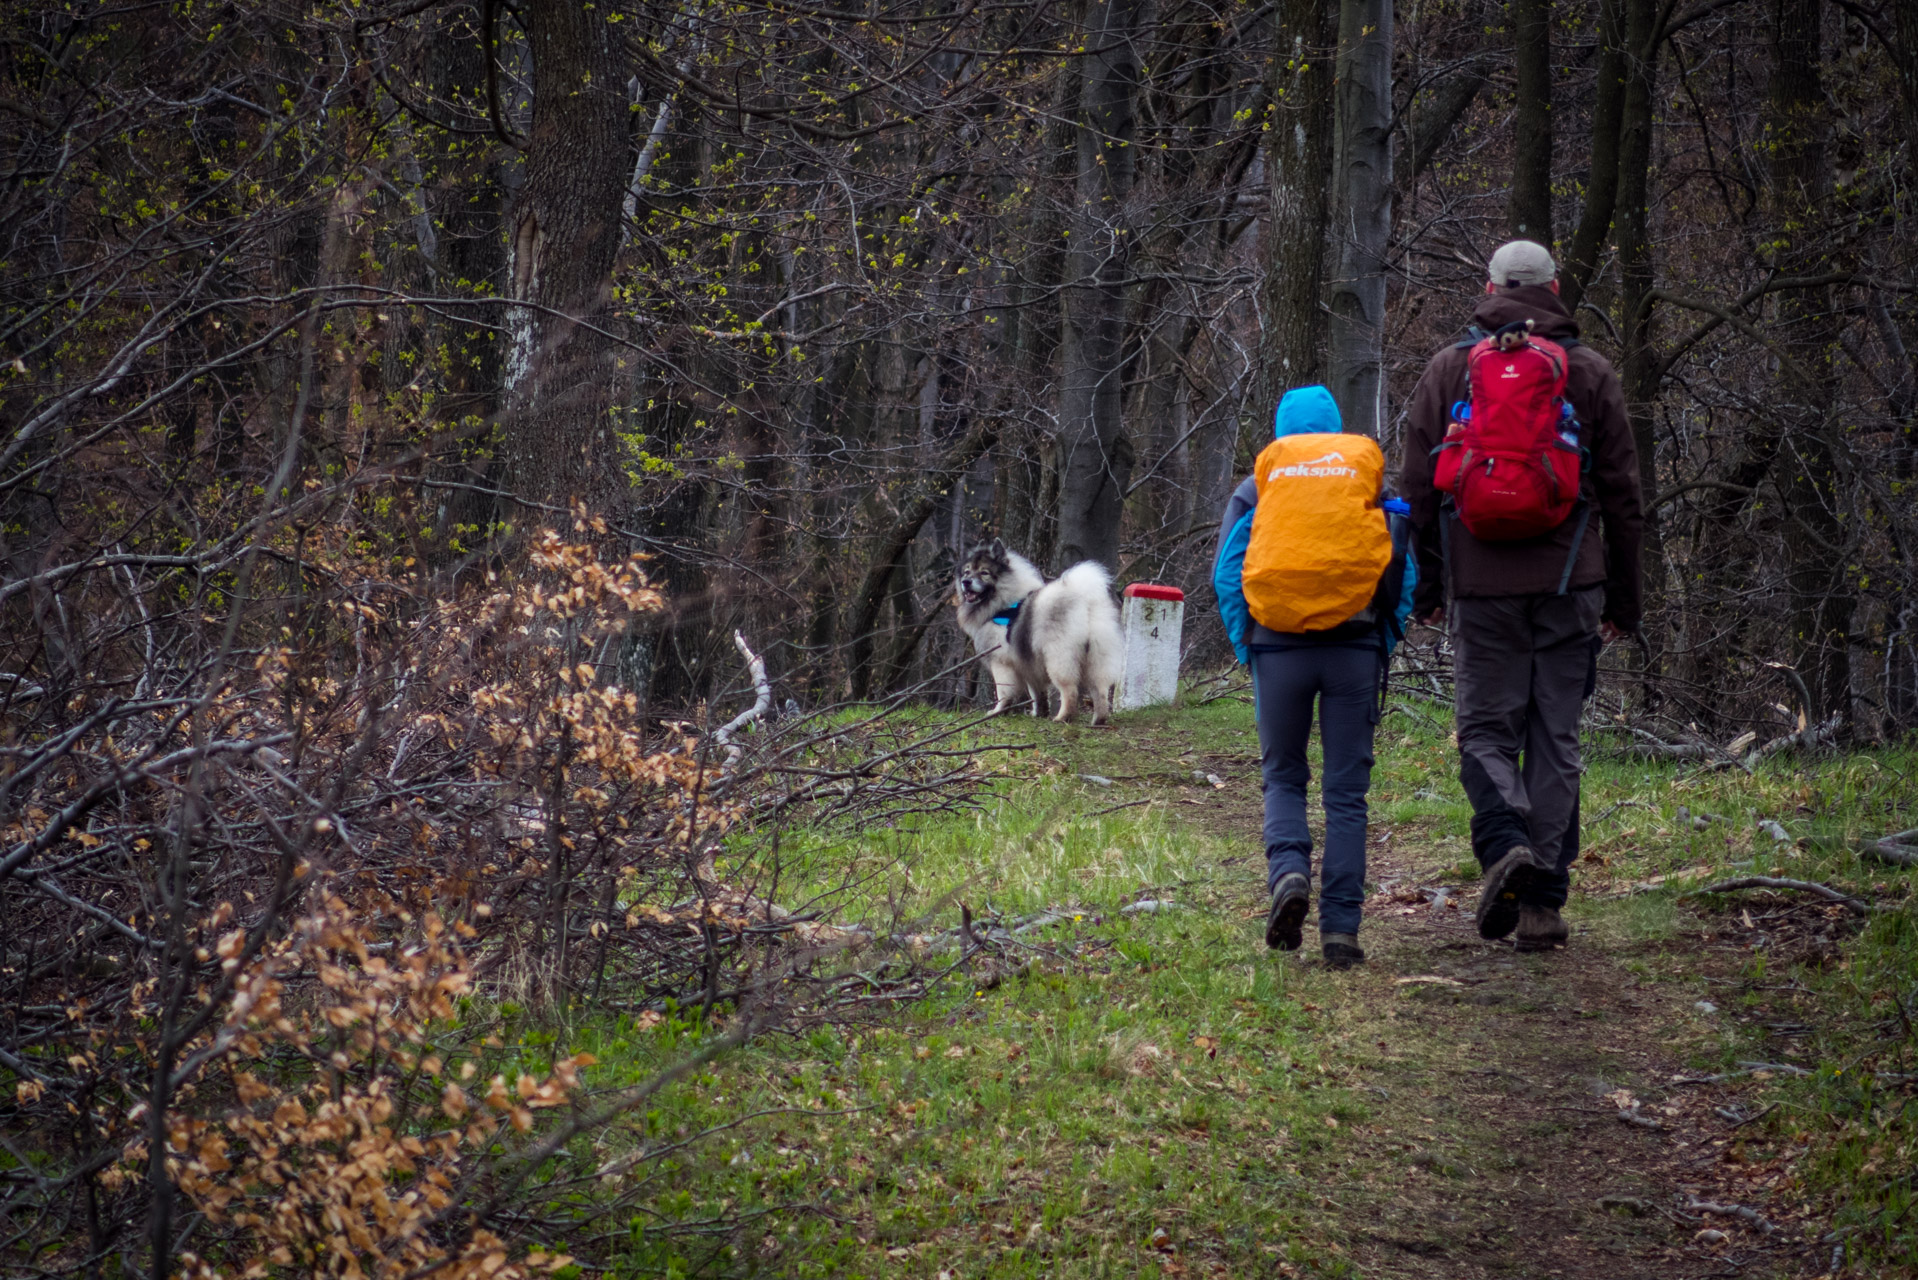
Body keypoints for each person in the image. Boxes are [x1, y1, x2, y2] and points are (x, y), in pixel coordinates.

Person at [1400, 240, 1644, 951]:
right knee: (1555, 740)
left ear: (1490, 287)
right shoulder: (1590, 372)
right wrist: (1624, 603)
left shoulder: (1451, 368)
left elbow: (1418, 488)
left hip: (1481, 584)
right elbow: (1624, 497)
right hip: (1572, 582)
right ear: (1555, 288)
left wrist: (1429, 587)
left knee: (1485, 729)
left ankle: (1504, 839)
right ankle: (1542, 907)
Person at [1214, 385, 1416, 969]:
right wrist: (1385, 635)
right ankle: (1342, 932)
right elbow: (1400, 560)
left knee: (1283, 775)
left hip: (1278, 650)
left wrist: (1246, 643)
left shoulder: (1261, 485)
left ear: (1282, 432)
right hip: (1355, 648)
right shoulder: (1362, 478)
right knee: (1347, 793)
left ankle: (1289, 874)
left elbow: (1228, 573)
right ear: (1335, 428)